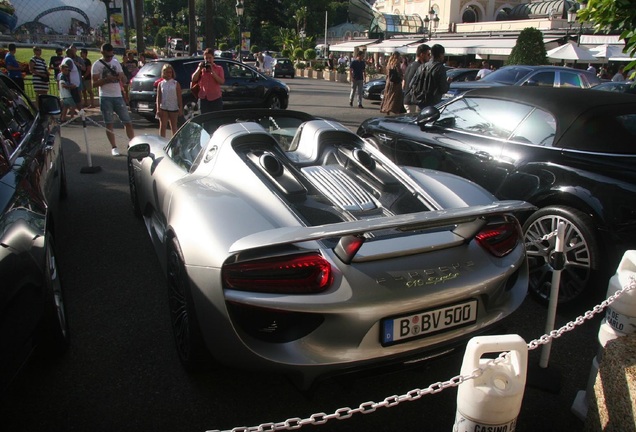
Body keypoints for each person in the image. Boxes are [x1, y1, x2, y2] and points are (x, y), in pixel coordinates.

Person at [91, 43, 135, 156]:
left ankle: (133, 143)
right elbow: (94, 84)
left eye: (111, 55)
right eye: (107, 56)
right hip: (105, 96)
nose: (110, 58)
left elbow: (123, 78)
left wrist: (123, 77)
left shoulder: (115, 63)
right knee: (109, 123)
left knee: (127, 121)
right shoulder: (96, 65)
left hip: (117, 95)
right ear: (102, 53)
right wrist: (106, 79)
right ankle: (114, 147)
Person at [415, 44, 450, 110]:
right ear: (440, 55)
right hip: (433, 104)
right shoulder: (440, 68)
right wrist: (448, 83)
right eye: (443, 54)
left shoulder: (422, 66)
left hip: (420, 102)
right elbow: (443, 89)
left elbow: (412, 84)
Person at [190, 48, 225, 114]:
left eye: (210, 58)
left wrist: (212, 72)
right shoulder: (202, 69)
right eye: (206, 58)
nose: (208, 60)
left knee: (215, 119)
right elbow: (193, 79)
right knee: (204, 119)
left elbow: (221, 81)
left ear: (213, 58)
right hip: (203, 98)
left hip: (215, 98)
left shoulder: (219, 68)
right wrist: (199, 68)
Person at [156, 64, 183, 138]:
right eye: (166, 72)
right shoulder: (161, 84)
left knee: (174, 126)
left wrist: (180, 107)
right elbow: (158, 97)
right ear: (163, 73)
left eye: (170, 72)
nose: (168, 74)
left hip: (173, 107)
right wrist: (158, 108)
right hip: (164, 107)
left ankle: (174, 143)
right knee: (163, 126)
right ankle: (161, 141)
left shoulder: (175, 83)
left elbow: (179, 96)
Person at [403, 44, 430, 113]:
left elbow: (403, 83)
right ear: (422, 55)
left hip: (407, 99)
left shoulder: (410, 65)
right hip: (413, 101)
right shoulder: (420, 67)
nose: (429, 57)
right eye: (428, 54)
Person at [379, 51, 406, 116]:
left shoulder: (389, 63)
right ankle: (393, 109)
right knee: (395, 96)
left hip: (389, 81)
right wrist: (402, 76)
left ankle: (386, 108)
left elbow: (387, 72)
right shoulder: (396, 63)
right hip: (395, 82)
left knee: (388, 95)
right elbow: (399, 72)